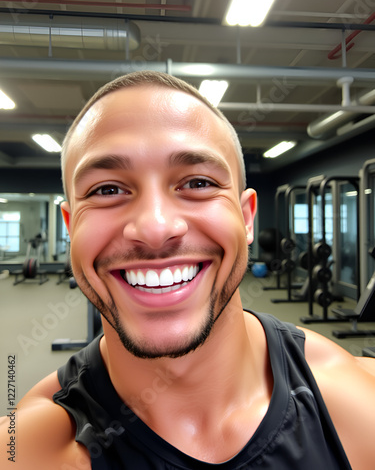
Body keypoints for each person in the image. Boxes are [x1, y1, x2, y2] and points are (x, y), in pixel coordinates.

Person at [1, 71, 375, 470]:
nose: (155, 228)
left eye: (197, 182)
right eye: (107, 190)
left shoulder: (355, 402)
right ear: (72, 226)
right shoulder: (28, 447)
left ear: (246, 218)